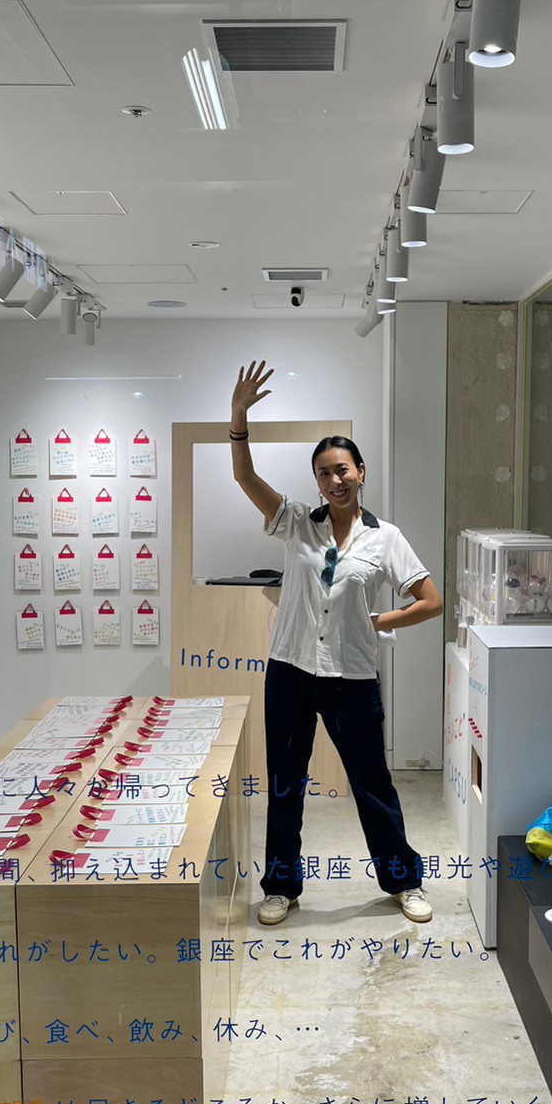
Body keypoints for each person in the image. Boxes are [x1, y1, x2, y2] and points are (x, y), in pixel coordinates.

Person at [229, 359, 444, 925]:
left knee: (372, 784)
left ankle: (403, 881)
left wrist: (380, 620)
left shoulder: (385, 537)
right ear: (317, 481)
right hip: (291, 672)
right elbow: (246, 479)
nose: (335, 480)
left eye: (342, 469)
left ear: (360, 472)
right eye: (324, 473)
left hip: (352, 678)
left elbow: (431, 600)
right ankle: (280, 887)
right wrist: (238, 419)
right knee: (285, 784)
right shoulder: (297, 522)